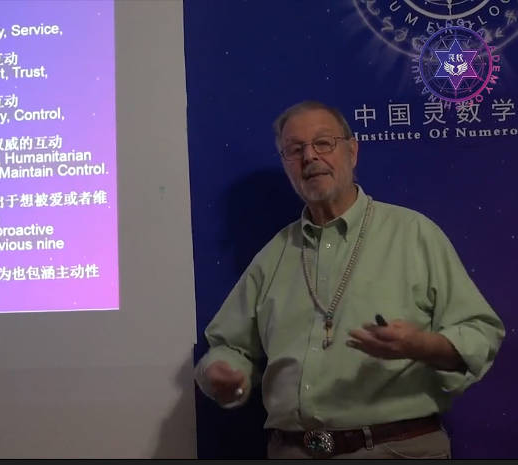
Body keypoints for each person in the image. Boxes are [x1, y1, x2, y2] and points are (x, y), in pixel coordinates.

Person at [194, 100, 505, 459]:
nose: (309, 156)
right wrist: (223, 373)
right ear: (285, 163)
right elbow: (229, 346)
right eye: (295, 150)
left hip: (395, 449)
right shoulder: (274, 254)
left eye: (323, 143)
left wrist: (421, 346)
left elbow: (480, 331)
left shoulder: (412, 233)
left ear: (352, 151)